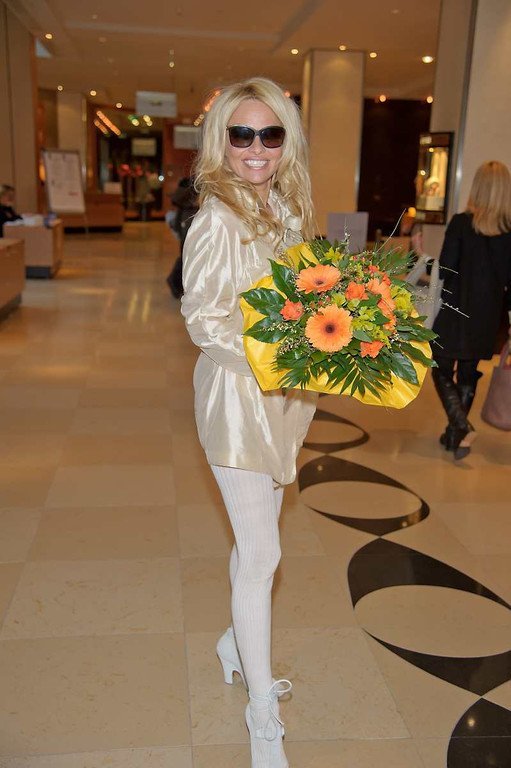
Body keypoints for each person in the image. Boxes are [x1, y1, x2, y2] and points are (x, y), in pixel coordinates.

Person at [181, 78, 317, 768]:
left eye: (269, 133)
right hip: (238, 400)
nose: (256, 148)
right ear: (221, 142)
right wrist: (278, 357)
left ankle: (234, 642)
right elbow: (204, 320)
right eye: (241, 134)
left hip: (283, 400)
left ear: (286, 139)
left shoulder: (284, 207)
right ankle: (262, 713)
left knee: (252, 533)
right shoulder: (217, 219)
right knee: (263, 554)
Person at [431, 160, 511, 459]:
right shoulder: (509, 232)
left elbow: (445, 269)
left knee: (439, 366)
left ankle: (461, 425)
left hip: (457, 309)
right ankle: (455, 435)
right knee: (467, 373)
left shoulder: (462, 223)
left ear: (477, 187)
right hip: (488, 316)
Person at [166, 176, 199, 299]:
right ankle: (175, 282)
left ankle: (176, 283)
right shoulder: (195, 187)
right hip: (190, 225)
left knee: (186, 258)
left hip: (186, 225)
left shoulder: (187, 189)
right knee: (187, 258)